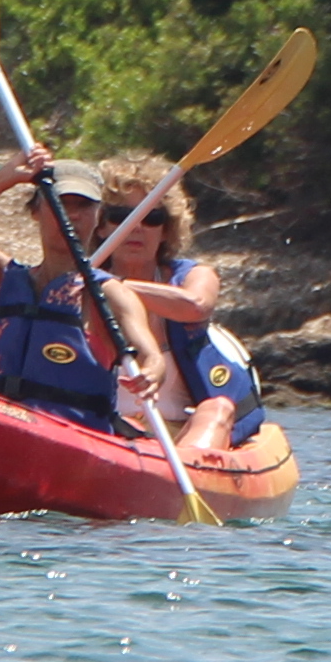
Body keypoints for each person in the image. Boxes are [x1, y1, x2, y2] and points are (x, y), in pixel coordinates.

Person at [0, 152, 180, 435]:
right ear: (35, 211)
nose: (71, 215)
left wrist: (151, 374)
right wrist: (5, 177)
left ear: (99, 219)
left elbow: (151, 356)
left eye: (83, 205)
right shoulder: (1, 277)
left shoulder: (109, 294)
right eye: (58, 202)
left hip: (67, 437)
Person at [89, 162, 261, 457]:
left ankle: (189, 470)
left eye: (151, 217)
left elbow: (196, 306)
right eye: (121, 216)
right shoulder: (76, 287)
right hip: (107, 433)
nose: (136, 227)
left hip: (183, 434)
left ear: (166, 230)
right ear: (102, 226)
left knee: (218, 407)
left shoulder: (193, 275)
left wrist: (113, 288)